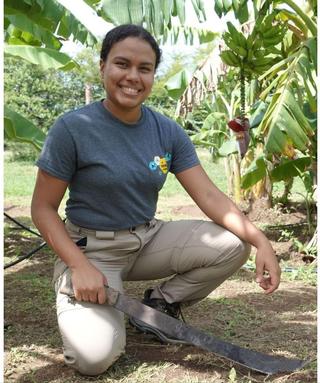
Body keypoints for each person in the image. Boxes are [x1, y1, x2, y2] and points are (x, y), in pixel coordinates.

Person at [31, 24, 281, 376]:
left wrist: (260, 240)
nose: (132, 76)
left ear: (152, 75)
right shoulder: (73, 128)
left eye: (144, 68)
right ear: (102, 67)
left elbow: (208, 195)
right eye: (122, 64)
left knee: (231, 244)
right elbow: (42, 209)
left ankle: (159, 306)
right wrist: (78, 265)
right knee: (94, 358)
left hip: (147, 239)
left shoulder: (166, 130)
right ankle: (93, 305)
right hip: (92, 251)